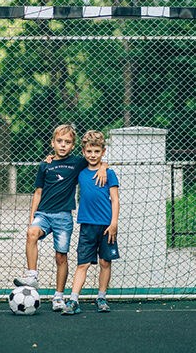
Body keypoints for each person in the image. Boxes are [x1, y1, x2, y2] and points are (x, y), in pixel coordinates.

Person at [14, 124, 107, 312]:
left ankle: (58, 296)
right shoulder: (45, 165)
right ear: (52, 143)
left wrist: (104, 167)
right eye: (59, 141)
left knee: (61, 257)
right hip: (43, 214)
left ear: (73, 146)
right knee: (31, 233)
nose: (63, 145)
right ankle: (32, 275)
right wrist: (32, 215)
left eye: (67, 142)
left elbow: (96, 159)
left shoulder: (77, 162)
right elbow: (38, 192)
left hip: (63, 217)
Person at [62, 130, 120, 315]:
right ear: (84, 152)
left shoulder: (109, 173)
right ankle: (73, 301)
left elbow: (115, 200)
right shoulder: (80, 172)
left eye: (96, 152)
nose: (92, 155)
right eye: (89, 152)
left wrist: (114, 223)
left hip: (106, 226)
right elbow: (64, 163)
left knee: (105, 262)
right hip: (87, 225)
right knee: (83, 264)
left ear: (103, 151)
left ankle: (101, 297)